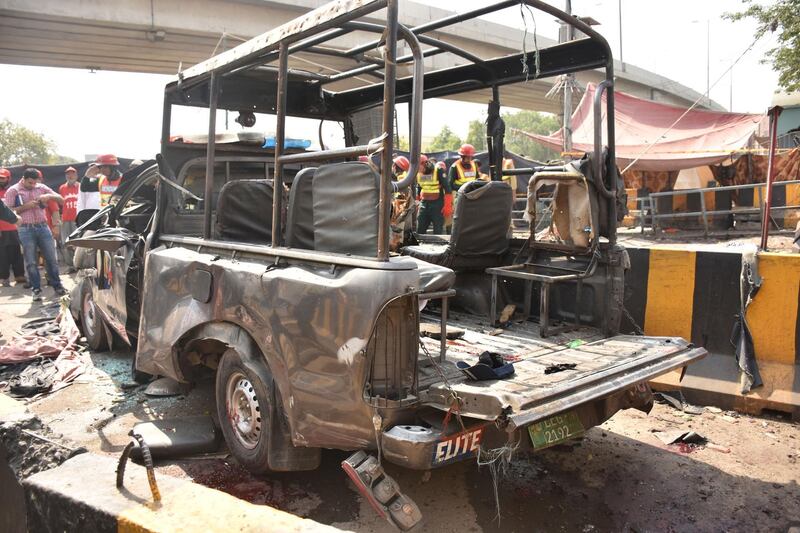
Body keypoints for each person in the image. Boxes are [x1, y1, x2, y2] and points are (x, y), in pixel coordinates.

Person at [4, 168, 66, 301]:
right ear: (23, 179)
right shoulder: (13, 191)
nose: (33, 185)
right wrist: (26, 206)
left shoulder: (41, 187)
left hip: (43, 227)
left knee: (51, 259)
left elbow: (61, 200)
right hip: (25, 229)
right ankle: (36, 289)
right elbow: (8, 212)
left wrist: (48, 196)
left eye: (35, 183)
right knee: (31, 262)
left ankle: (58, 286)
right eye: (30, 183)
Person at [0, 168, 26, 287]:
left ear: (8, 178)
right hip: (1, 229)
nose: (0, 180)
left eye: (3, 178)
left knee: (17, 252)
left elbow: (20, 207)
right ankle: (4, 278)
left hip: (15, 228)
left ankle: (19, 276)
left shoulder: (13, 192)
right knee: (2, 254)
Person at [416, 154, 451, 235]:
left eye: (418, 166)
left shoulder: (438, 170)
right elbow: (419, 187)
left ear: (424, 164)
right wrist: (417, 201)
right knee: (420, 229)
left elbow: (447, 188)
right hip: (424, 204)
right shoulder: (417, 172)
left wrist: (447, 205)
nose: (417, 169)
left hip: (437, 205)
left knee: (438, 231)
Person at [58, 166, 80, 270]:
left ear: (76, 175)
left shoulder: (81, 186)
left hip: (78, 219)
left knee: (78, 242)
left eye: (72, 174)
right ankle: (70, 265)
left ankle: (79, 264)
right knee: (66, 242)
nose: (70, 176)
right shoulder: (62, 188)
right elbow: (60, 204)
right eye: (68, 174)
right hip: (65, 219)